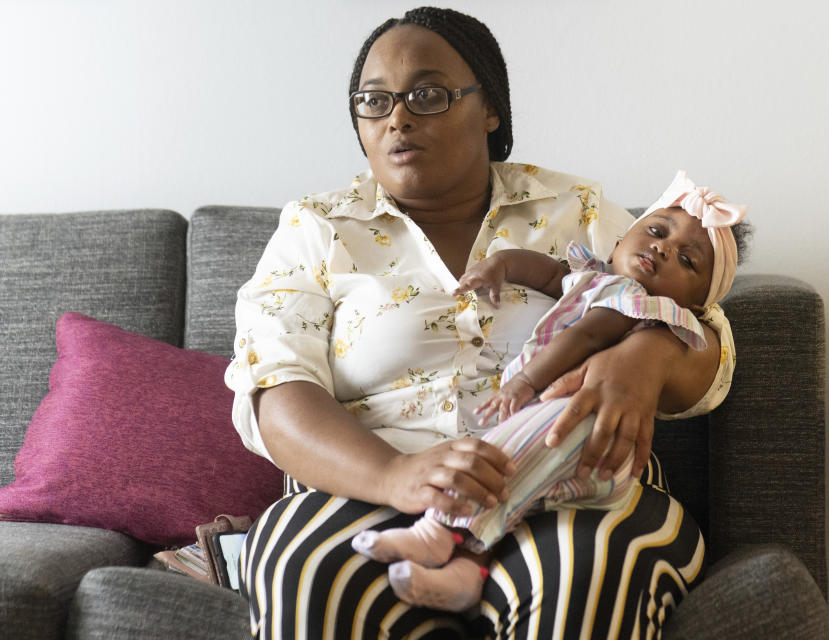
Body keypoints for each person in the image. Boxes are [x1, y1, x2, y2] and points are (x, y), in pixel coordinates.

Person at [225, 7, 738, 638]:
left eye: (428, 94)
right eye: (374, 101)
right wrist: (396, 476)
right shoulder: (315, 229)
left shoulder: (574, 209)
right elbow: (276, 392)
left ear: (490, 107)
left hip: (567, 486)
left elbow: (706, 340)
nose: (398, 118)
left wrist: (648, 358)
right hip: (364, 484)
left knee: (590, 570)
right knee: (304, 569)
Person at [348, 171, 747, 612]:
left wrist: (523, 383)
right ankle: (468, 570)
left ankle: (436, 530)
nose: (664, 248)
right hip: (573, 453)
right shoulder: (595, 279)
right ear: (617, 243)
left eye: (687, 262)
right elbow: (549, 272)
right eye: (656, 231)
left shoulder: (635, 303)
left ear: (696, 304)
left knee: (494, 458)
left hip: (581, 431)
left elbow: (584, 340)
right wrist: (501, 264)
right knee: (516, 498)